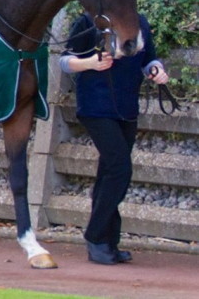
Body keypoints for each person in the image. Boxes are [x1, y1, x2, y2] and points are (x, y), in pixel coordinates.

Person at [59, 13, 169, 265]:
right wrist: (91, 63)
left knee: (109, 172)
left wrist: (156, 70)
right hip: (95, 107)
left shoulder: (139, 22)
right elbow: (65, 61)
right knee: (120, 168)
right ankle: (96, 237)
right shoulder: (88, 22)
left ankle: (108, 242)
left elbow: (148, 58)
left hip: (127, 109)